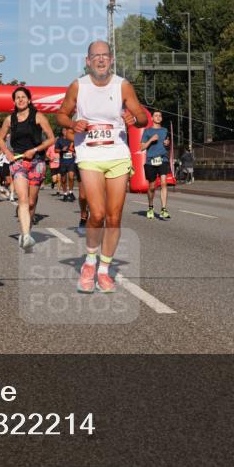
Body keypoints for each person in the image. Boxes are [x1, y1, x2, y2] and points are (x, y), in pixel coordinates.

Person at [57, 41, 148, 293]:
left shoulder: (123, 85)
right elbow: (61, 114)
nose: (100, 60)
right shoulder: (78, 86)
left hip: (117, 154)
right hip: (89, 154)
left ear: (111, 59)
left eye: (105, 55)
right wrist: (73, 124)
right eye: (95, 56)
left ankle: (104, 270)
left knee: (114, 217)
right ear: (88, 61)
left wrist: (134, 119)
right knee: (96, 214)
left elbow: (143, 117)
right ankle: (89, 263)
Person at [0, 86, 55, 250]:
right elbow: (0, 139)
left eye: (23, 97)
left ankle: (27, 230)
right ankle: (26, 235)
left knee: (31, 202)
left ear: (29, 100)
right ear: (14, 101)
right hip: (18, 161)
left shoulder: (38, 116)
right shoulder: (10, 119)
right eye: (17, 97)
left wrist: (35, 150)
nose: (20, 100)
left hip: (37, 161)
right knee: (22, 199)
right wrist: (7, 152)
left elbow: (51, 139)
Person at [141, 110, 172, 220]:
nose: (158, 117)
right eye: (156, 115)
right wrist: (151, 139)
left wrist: (167, 143)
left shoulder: (165, 130)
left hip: (163, 159)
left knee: (164, 183)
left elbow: (167, 145)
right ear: (152, 118)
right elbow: (142, 147)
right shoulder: (147, 131)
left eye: (160, 116)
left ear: (161, 118)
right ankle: (150, 207)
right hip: (151, 161)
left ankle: (163, 209)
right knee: (152, 187)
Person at [56, 128, 77, 202]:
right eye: (64, 131)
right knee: (63, 179)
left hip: (71, 161)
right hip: (63, 162)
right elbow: (56, 150)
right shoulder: (59, 140)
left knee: (71, 177)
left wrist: (75, 153)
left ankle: (70, 192)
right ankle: (65, 193)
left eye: (67, 131)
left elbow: (77, 148)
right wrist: (62, 150)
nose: (66, 132)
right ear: (62, 132)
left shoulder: (72, 139)